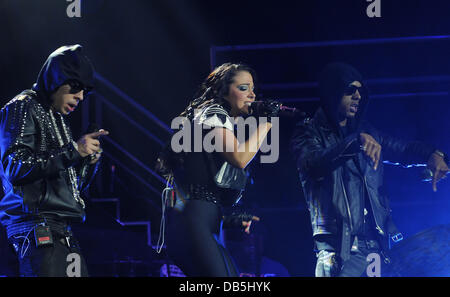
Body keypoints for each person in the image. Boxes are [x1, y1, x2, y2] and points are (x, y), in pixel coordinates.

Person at [290, 62, 449, 277]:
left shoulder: (367, 131)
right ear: (332, 93)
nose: (357, 96)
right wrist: (355, 142)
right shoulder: (308, 132)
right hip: (338, 249)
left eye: (360, 91)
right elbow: (313, 165)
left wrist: (432, 154)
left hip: (377, 246)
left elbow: (402, 149)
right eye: (349, 90)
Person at [156, 63, 281, 277]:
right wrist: (268, 122)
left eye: (252, 88)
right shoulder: (212, 113)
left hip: (202, 221)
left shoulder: (217, 119)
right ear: (223, 91)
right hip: (193, 222)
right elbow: (240, 158)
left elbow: (205, 183)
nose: (252, 95)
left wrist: (231, 219)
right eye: (243, 88)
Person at [0, 45, 108, 277]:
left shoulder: (58, 119)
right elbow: (15, 167)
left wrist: (86, 163)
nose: (80, 97)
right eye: (75, 87)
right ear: (55, 79)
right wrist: (73, 151)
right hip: (36, 227)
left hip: (61, 230)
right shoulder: (23, 106)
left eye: (85, 91)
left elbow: (71, 189)